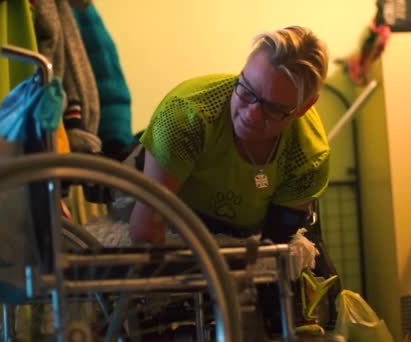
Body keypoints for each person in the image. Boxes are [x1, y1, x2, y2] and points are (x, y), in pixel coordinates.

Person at [129, 25, 330, 246]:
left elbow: (277, 245)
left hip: (246, 229)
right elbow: (147, 230)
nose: (251, 115)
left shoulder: (310, 155)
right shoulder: (186, 114)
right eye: (246, 89)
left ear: (305, 107)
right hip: (169, 207)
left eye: (273, 108)